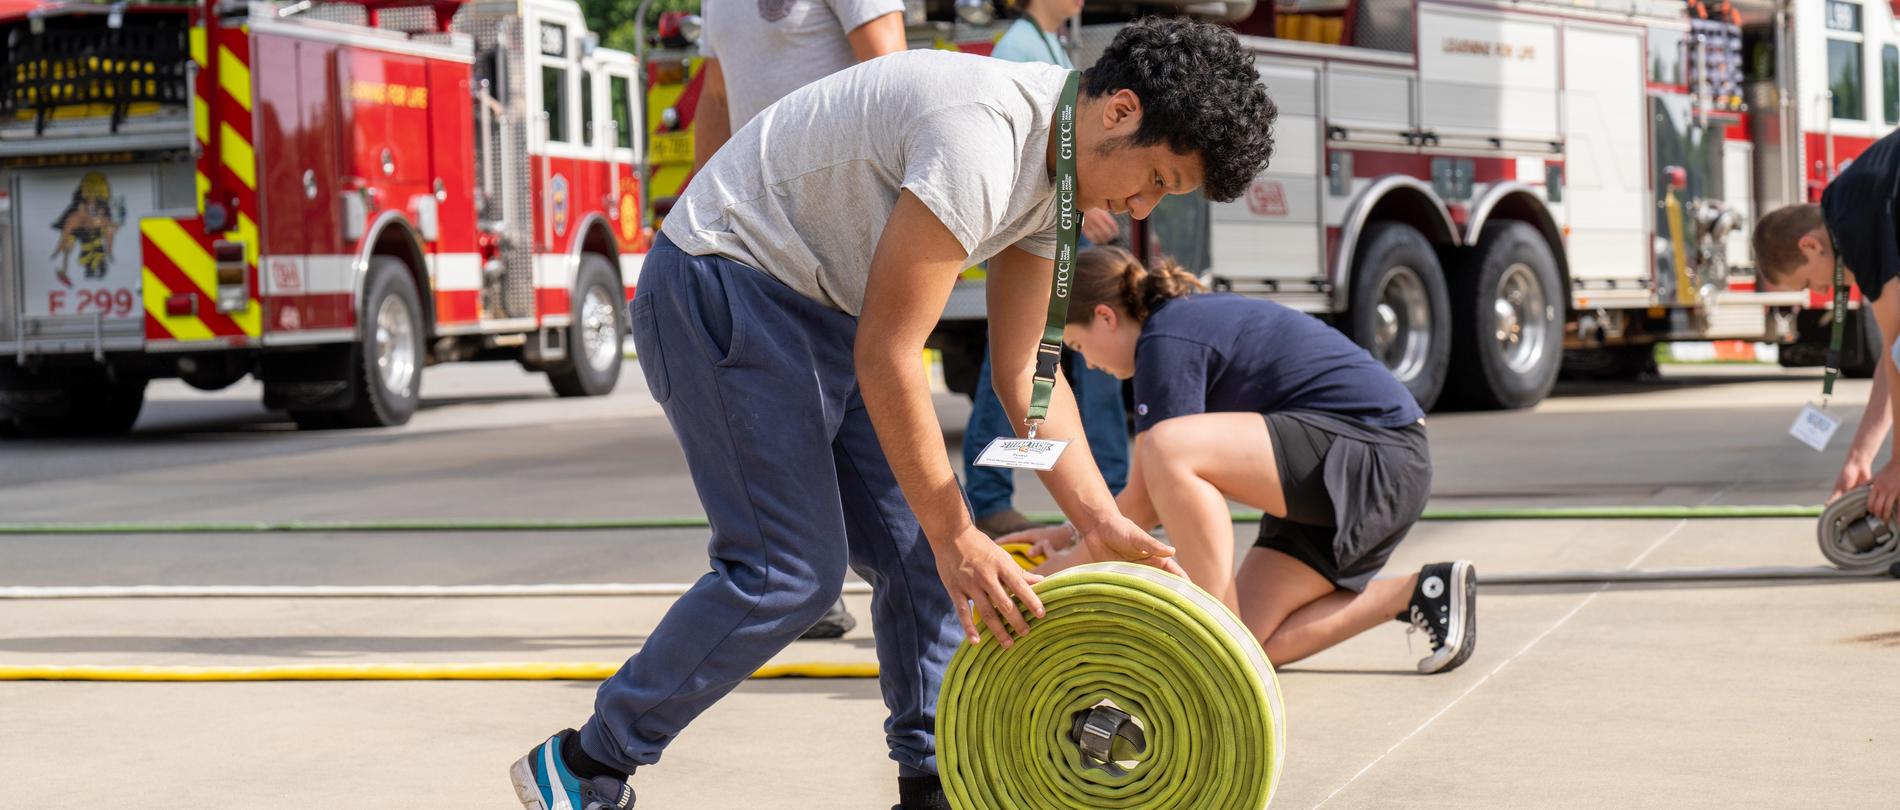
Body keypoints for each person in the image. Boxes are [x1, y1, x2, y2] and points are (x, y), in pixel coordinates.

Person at [509, 18, 1277, 810]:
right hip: (723, 280)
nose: (1143, 203)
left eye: (1164, 196)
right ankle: (586, 764)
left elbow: (1027, 374)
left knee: (918, 559)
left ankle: (932, 782)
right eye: (1156, 177)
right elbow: (889, 353)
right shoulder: (984, 137)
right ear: (1119, 111)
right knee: (788, 572)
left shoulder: (1063, 181)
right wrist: (958, 535)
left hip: (820, 310)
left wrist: (1097, 518)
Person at [999, 247, 1477, 675]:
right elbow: (1142, 499)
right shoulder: (1175, 327)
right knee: (1251, 642)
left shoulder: (1168, 337)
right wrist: (1063, 535)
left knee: (1171, 448)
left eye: (1078, 348)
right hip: (1350, 473)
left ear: (1105, 316)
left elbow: (1147, 498)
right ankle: (1421, 590)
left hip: (1377, 455)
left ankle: (1210, 635)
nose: (1087, 365)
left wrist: (1060, 569)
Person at [691, 0, 907, 639]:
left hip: (833, 232)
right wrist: (695, 205)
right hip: (753, 238)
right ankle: (800, 584)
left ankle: (904, 583)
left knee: (853, 426)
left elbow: (892, 76)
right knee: (774, 425)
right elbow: (715, 95)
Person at [961, 0, 1130, 538]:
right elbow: (1033, 147)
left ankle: (1109, 501)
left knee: (1065, 363)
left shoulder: (1053, 45)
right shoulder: (1018, 46)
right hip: (1037, 221)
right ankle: (989, 498)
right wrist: (1089, 195)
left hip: (1060, 222)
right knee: (1016, 361)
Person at [1753, 129, 1900, 517]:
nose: (1819, 292)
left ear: (1810, 245)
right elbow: (1896, 352)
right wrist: (1860, 456)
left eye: (1808, 282)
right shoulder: (1852, 205)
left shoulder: (1856, 223)